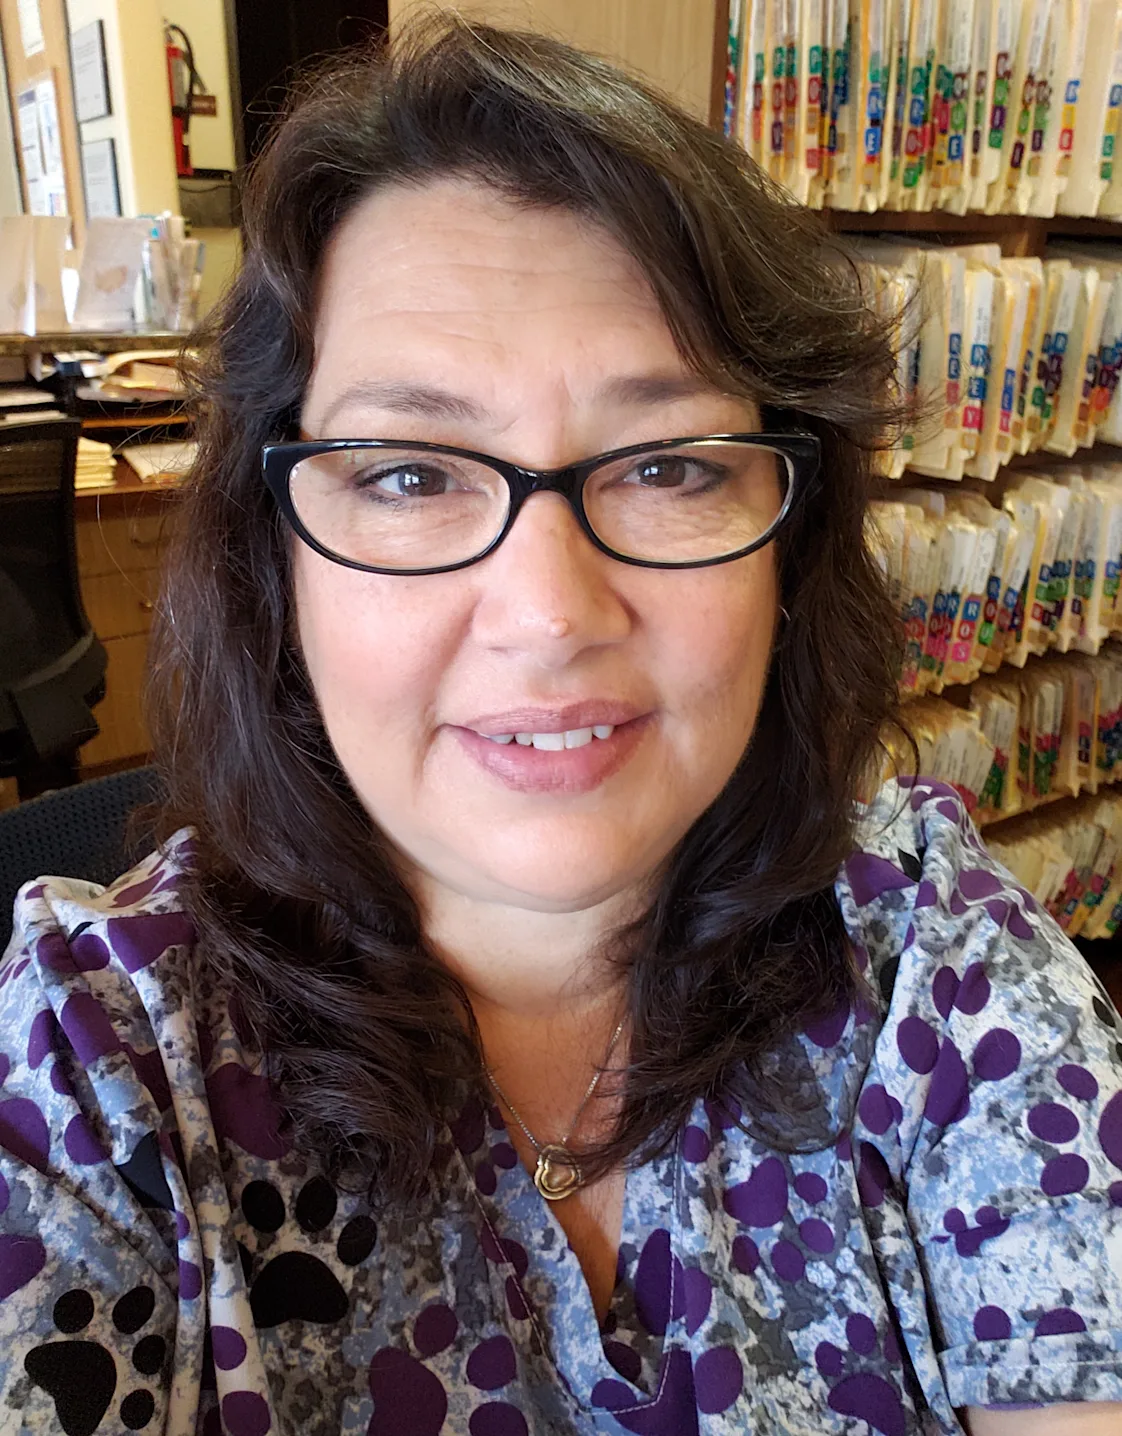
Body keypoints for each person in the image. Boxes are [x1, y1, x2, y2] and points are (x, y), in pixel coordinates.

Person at [1, 19, 1120, 1436]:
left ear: (791, 544)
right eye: (408, 474)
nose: (547, 614)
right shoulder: (97, 1073)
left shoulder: (929, 960)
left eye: (664, 466)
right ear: (272, 561)